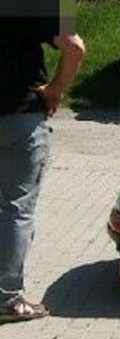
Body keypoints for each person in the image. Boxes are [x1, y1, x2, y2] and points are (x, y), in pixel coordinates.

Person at [0, 20, 86, 322]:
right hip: (19, 117)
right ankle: (7, 299)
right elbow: (74, 47)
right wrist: (55, 90)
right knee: (15, 207)